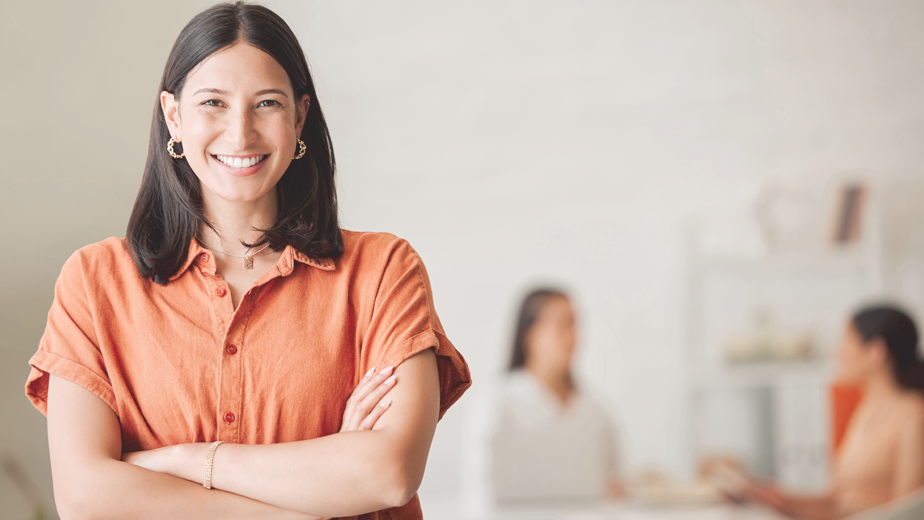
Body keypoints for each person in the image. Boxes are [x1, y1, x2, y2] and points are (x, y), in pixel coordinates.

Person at [23, 3, 471, 519]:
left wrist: (188, 461)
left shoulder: (383, 271)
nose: (240, 134)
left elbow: (387, 474)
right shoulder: (94, 283)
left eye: (267, 104)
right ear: (174, 115)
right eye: (213, 102)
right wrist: (324, 490)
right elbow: (84, 497)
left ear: (300, 116)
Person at [740, 305, 924, 519]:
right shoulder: (866, 410)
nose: (837, 353)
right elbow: (836, 503)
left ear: (875, 352)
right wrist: (772, 497)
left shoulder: (914, 417)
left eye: (846, 342)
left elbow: (908, 514)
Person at [489, 288, 623, 503]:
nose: (573, 337)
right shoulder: (498, 406)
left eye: (575, 325)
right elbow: (484, 492)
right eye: (562, 324)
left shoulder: (596, 410)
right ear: (528, 333)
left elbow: (617, 484)